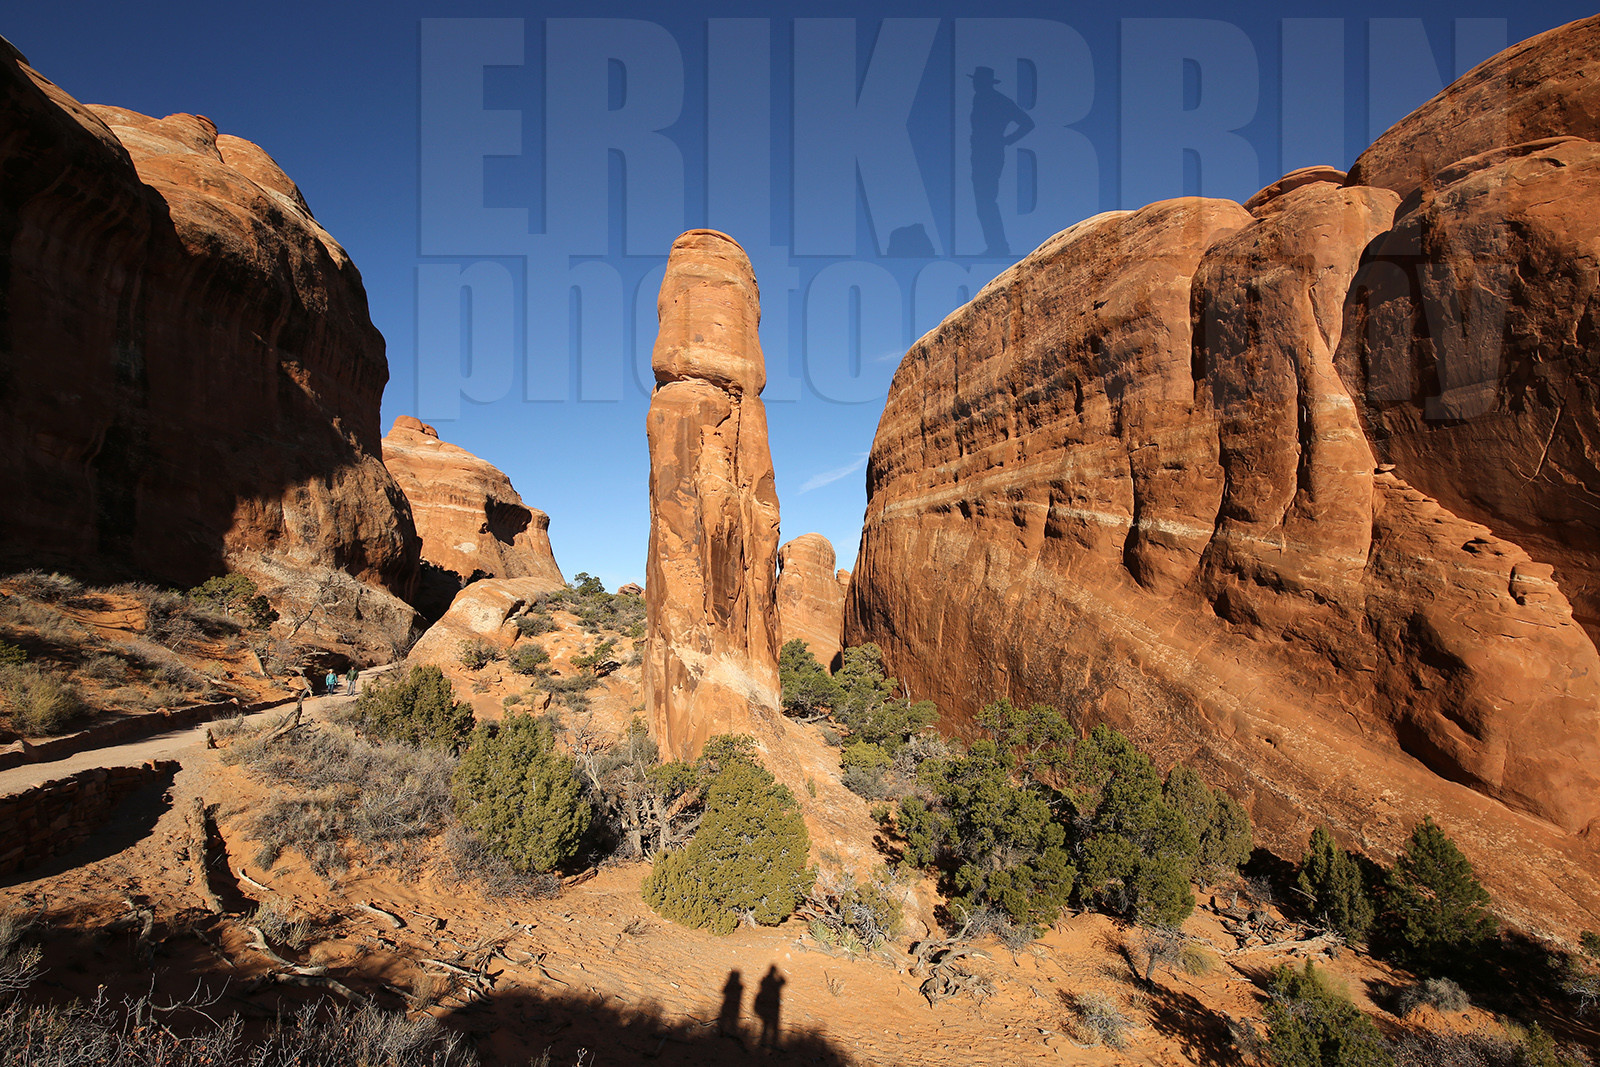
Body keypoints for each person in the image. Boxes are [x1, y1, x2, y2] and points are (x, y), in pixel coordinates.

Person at [969, 66, 1034, 257]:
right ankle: (995, 245)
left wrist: (1007, 140)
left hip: (990, 154)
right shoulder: (979, 98)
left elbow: (1028, 123)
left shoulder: (998, 100)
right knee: (983, 201)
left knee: (986, 200)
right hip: (981, 153)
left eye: (977, 80)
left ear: (984, 82)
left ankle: (998, 246)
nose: (975, 84)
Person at [753, 965, 785, 1050]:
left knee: (766, 1025)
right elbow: (783, 981)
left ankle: (763, 1043)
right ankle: (771, 1044)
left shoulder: (764, 982)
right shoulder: (770, 983)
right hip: (772, 1006)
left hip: (764, 1006)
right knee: (772, 1025)